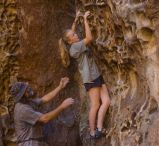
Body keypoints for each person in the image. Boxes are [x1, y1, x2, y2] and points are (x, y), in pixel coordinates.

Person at [58, 11, 111, 139]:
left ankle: (99, 128)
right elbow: (89, 38)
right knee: (95, 105)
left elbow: (70, 33)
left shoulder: (72, 43)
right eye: (73, 35)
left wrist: (76, 20)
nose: (76, 34)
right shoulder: (75, 47)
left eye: (74, 33)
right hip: (90, 78)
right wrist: (86, 20)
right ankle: (93, 131)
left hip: (95, 74)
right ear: (70, 41)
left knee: (107, 101)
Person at [11, 77, 74, 146]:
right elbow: (45, 118)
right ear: (23, 94)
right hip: (28, 143)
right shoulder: (22, 109)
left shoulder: (27, 102)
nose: (28, 89)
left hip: (35, 142)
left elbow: (44, 99)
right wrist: (62, 106)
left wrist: (60, 87)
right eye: (26, 89)